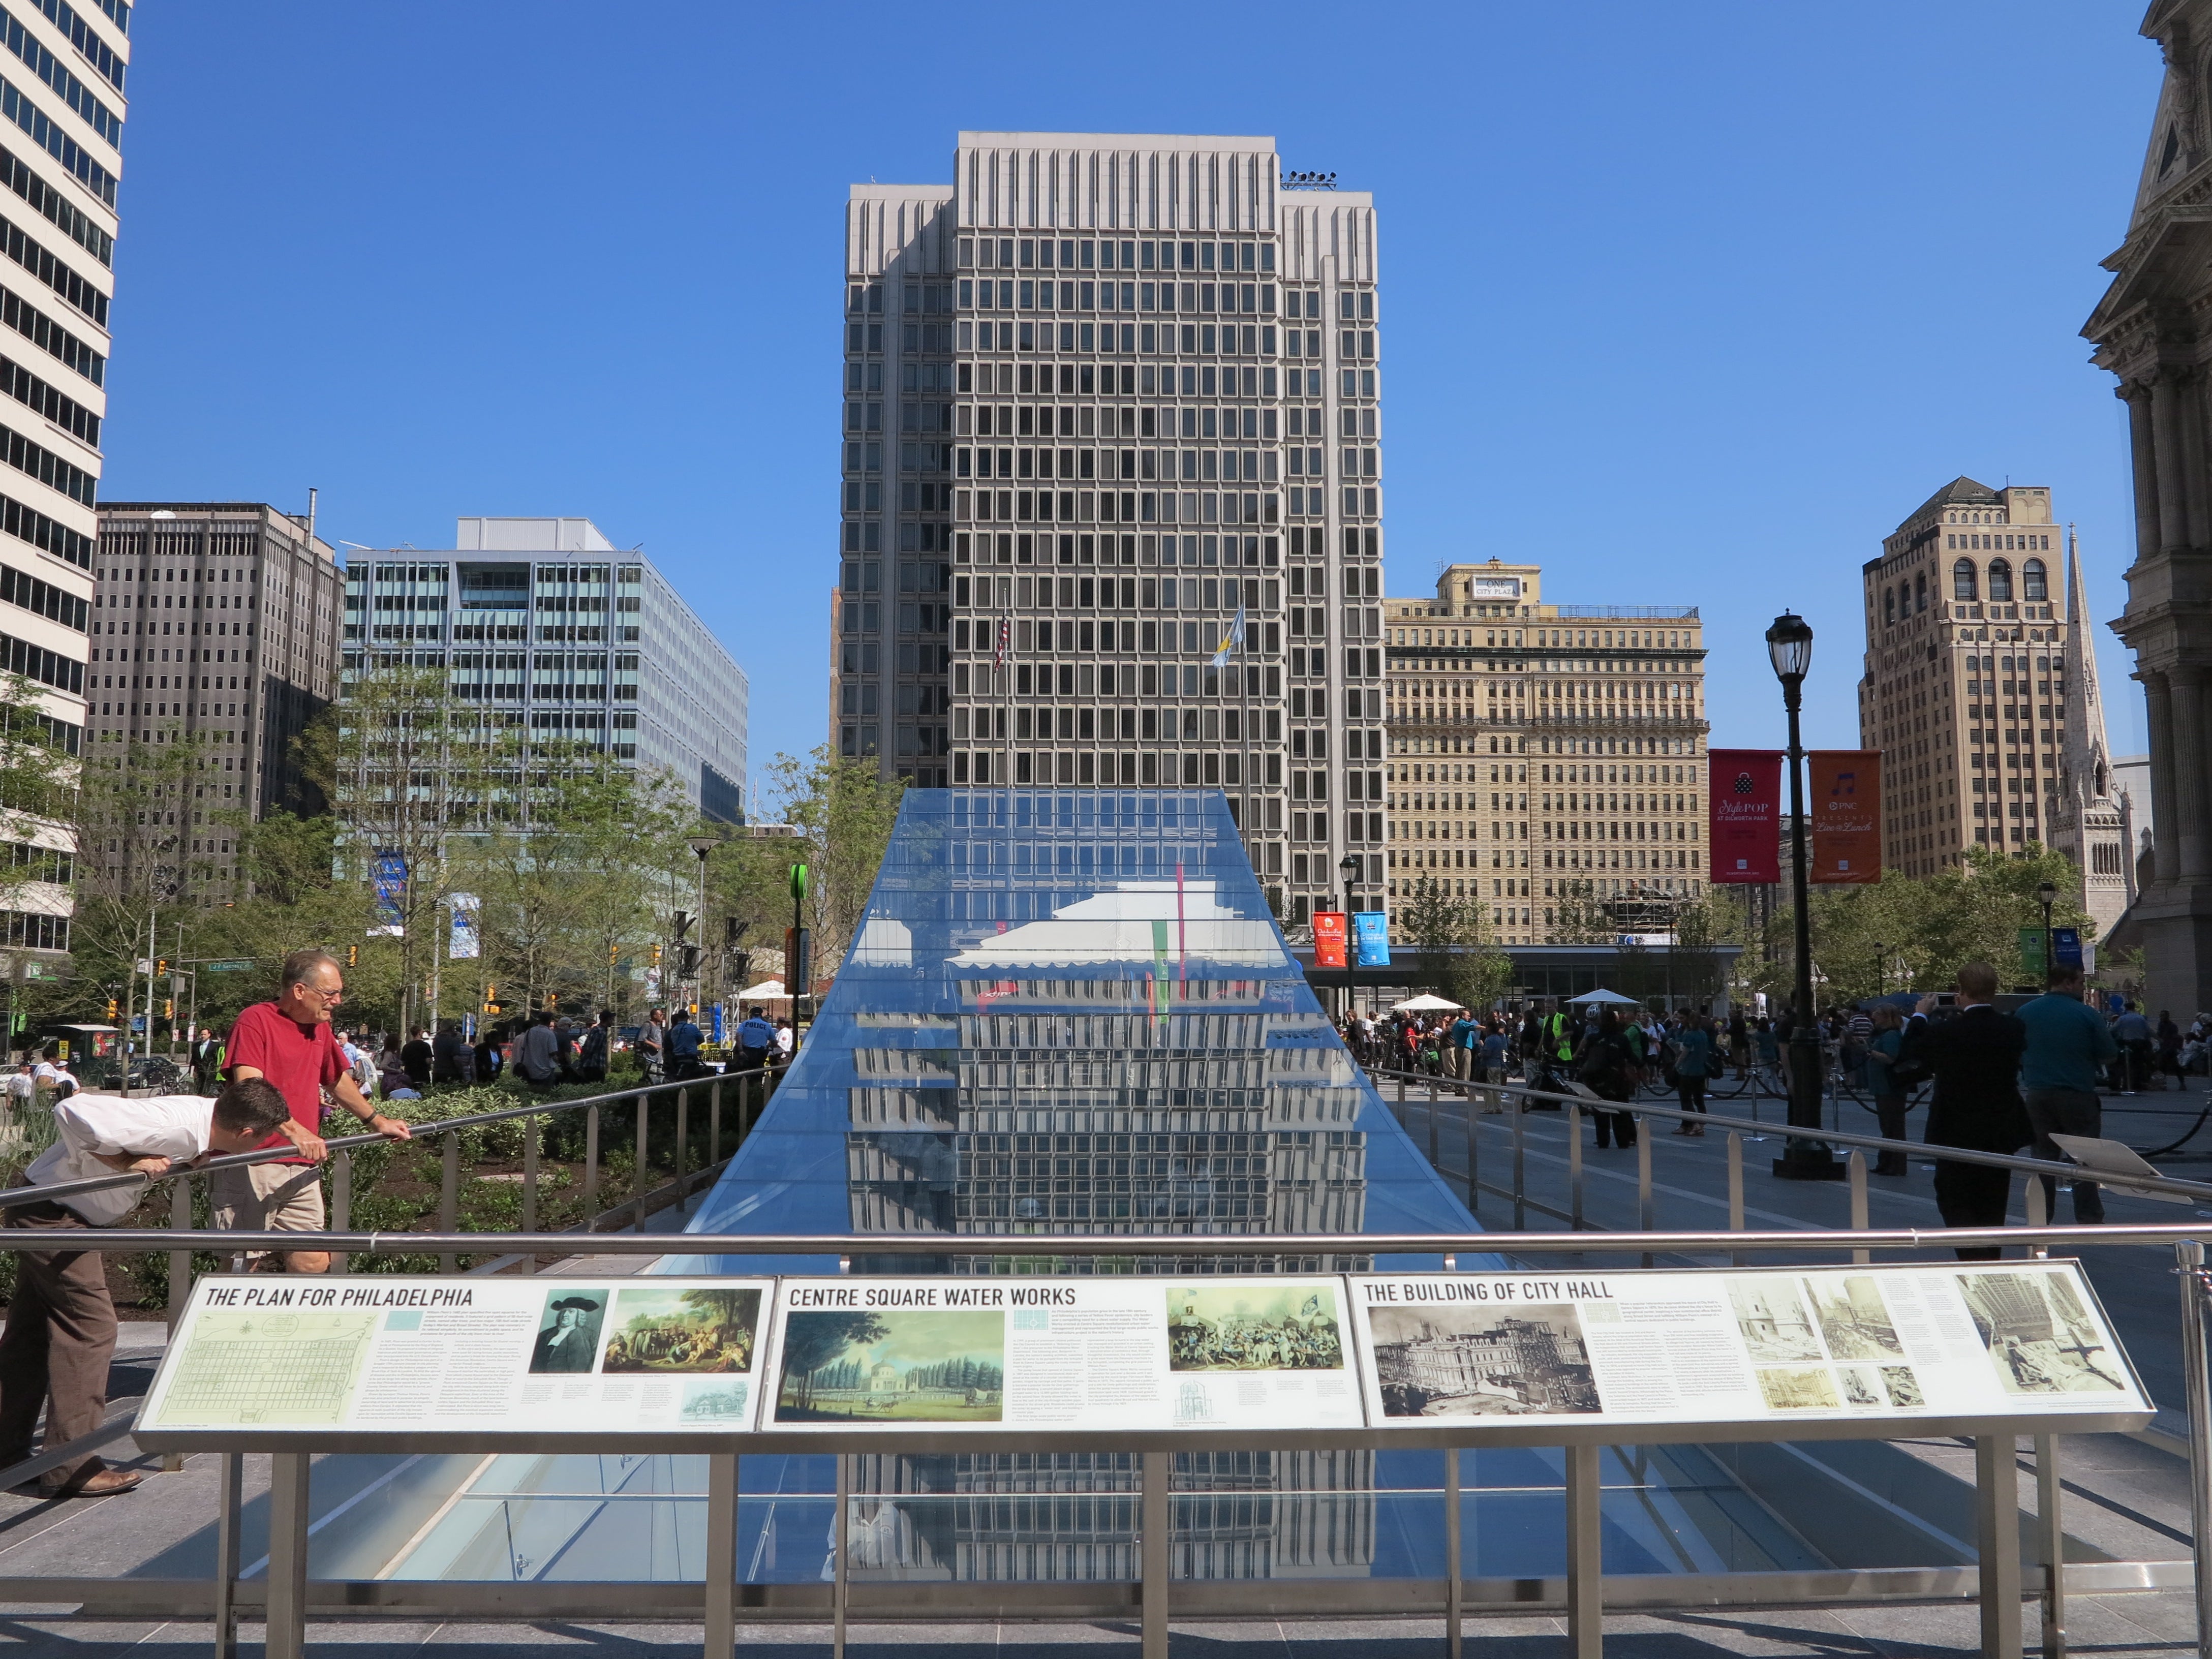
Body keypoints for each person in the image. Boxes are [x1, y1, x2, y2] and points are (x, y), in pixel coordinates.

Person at [0, 1078, 292, 1497]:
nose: (262, 1145)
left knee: (30, 1334)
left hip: (47, 1206)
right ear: (245, 1132)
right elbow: (70, 1110)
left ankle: (7, 1452)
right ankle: (71, 1465)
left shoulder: (203, 1119)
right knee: (92, 1328)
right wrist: (124, 1163)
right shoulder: (175, 1129)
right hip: (55, 1215)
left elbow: (174, 1131)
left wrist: (196, 1154)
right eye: (263, 1139)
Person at [222, 949, 412, 1273]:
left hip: (302, 1163)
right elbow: (250, 1088)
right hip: (253, 1160)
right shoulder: (255, 1020)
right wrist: (296, 1132)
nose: (337, 1000)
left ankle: (292, 1323)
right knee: (242, 1265)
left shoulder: (319, 1027)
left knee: (312, 1262)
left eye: (339, 993)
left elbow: (336, 1079)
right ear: (300, 991)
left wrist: (377, 1121)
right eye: (330, 993)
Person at [1900, 963, 2031, 1259]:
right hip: (2000, 1126)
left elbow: (1909, 1053)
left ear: (1960, 992)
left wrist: (1921, 1014)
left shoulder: (1947, 1031)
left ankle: (1972, 1255)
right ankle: (1990, 1255)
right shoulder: (2012, 1028)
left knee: (1953, 1194)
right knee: (1994, 1197)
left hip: (1955, 1125)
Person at [2017, 962, 2120, 1224]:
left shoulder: (2025, 1012)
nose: (2083, 988)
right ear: (2067, 983)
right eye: (2080, 983)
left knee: (2042, 1158)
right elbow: (2109, 1054)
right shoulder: (2086, 1014)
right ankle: (2088, 1215)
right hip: (2077, 1094)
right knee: (2084, 1158)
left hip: (2038, 1094)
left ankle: (2041, 1214)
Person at [1574, 1007, 1642, 1149]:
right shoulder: (1621, 1038)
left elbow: (1586, 1059)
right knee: (1620, 1114)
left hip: (1598, 1082)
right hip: (1617, 1081)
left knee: (1600, 1115)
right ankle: (1623, 1142)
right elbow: (1632, 1057)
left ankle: (1603, 1141)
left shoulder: (1594, 1038)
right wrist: (1641, 1065)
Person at [1863, 1005, 1910, 1176]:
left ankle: (1894, 1165)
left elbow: (1892, 1058)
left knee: (1892, 1127)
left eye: (1877, 1013)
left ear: (1886, 1017)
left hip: (1889, 1087)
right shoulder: (1887, 1034)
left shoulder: (1891, 1035)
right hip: (1884, 1087)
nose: (1874, 1015)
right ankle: (1888, 1163)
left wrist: (1872, 1052)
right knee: (1889, 1127)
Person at [1671, 1014, 1711, 1134]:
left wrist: (1676, 1065)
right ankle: (1701, 1125)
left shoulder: (1690, 1035)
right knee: (1699, 1100)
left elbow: (1685, 1052)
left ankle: (1693, 1124)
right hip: (1700, 1071)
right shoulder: (1703, 1034)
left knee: (1686, 1099)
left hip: (1688, 1071)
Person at [514, 1010, 563, 1089]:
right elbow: (553, 1053)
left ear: (539, 1020)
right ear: (550, 1021)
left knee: (530, 1091)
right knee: (546, 1092)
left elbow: (523, 1047)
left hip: (529, 1069)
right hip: (546, 1071)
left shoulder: (530, 1031)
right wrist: (559, 1062)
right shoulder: (550, 1034)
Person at [2113, 1001, 2153, 1094]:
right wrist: (2157, 1040)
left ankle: (2127, 1084)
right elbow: (2148, 1030)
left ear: (2126, 1008)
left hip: (2127, 1043)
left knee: (2126, 1065)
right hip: (2140, 1043)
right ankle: (2138, 1084)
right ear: (2134, 1008)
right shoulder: (2141, 1018)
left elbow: (2114, 1029)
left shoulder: (2123, 1018)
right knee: (2138, 1065)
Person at [574, 1010, 612, 1085]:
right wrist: (581, 1065)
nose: (612, 1021)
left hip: (596, 1066)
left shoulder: (600, 1030)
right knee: (595, 1087)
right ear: (607, 1019)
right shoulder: (600, 1031)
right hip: (593, 1067)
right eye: (611, 1019)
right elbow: (590, 1049)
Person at [734, 1005, 776, 1072]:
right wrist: (769, 1046)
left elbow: (738, 1035)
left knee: (743, 1074)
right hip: (760, 1054)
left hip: (746, 1052)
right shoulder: (767, 1026)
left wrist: (740, 1050)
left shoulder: (745, 1024)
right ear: (761, 1015)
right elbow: (774, 1041)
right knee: (757, 1074)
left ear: (751, 1015)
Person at [668, 1007, 705, 1080]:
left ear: (678, 1018)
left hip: (677, 1058)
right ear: (687, 1018)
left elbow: (673, 1042)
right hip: (691, 1057)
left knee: (678, 1078)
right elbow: (702, 1039)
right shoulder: (692, 1028)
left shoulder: (674, 1030)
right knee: (695, 1077)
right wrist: (693, 1044)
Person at [431, 1021, 469, 1086]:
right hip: (450, 1073)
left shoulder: (436, 1040)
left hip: (437, 1071)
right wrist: (462, 1071)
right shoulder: (453, 1041)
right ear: (451, 1028)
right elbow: (456, 1058)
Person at [190, 1027, 224, 1096]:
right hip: (199, 1072)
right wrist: (191, 1071)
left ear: (209, 1035)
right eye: (202, 1035)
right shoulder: (196, 1046)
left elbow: (218, 1058)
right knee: (199, 1090)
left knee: (209, 1090)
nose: (203, 1036)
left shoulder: (216, 1046)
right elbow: (193, 1059)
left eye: (205, 1035)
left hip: (210, 1071)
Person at [638, 1008, 667, 1085]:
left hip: (659, 1059)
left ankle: (658, 1095)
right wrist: (654, 1045)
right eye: (660, 1015)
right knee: (651, 1079)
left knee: (660, 1079)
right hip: (650, 1059)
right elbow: (642, 1039)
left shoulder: (658, 1026)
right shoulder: (647, 1025)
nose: (662, 1016)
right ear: (655, 1016)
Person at [399, 1028, 433, 1092]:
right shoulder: (425, 1046)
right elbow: (428, 1061)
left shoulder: (407, 1047)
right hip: (423, 1075)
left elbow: (402, 1062)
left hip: (410, 1075)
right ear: (419, 1033)